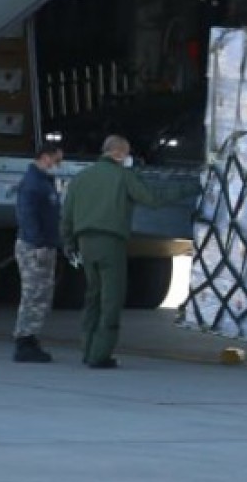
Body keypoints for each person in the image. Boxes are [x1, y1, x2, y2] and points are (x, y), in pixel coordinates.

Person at [60, 135, 188, 369]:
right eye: (127, 154)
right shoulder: (123, 176)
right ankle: (100, 355)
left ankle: (87, 349)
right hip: (110, 243)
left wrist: (69, 245)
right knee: (111, 299)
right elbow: (151, 200)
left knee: (92, 297)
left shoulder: (80, 178)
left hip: (86, 244)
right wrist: (189, 188)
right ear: (119, 154)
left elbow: (66, 216)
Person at [12, 143, 64, 363]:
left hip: (43, 244)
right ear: (45, 158)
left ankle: (30, 338)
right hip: (35, 247)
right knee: (33, 295)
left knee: (42, 295)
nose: (58, 165)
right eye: (57, 160)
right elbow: (28, 215)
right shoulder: (33, 184)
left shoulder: (43, 182)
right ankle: (24, 341)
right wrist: (38, 244)